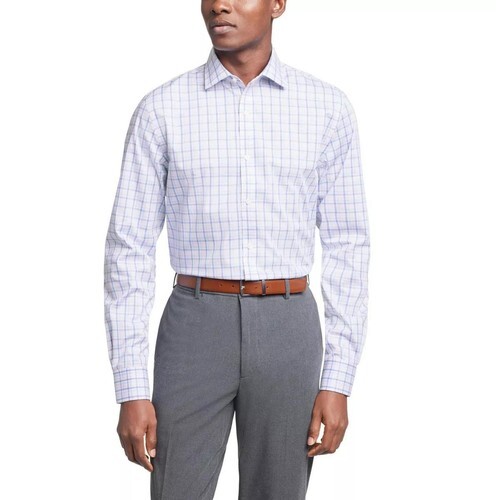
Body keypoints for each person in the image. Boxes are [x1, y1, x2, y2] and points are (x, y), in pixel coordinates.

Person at [103, 1, 370, 498]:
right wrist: (131, 386)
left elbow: (348, 244)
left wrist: (338, 379)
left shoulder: (327, 108)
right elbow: (129, 248)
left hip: (289, 326)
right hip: (193, 324)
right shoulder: (162, 109)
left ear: (277, 4)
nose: (219, 5)